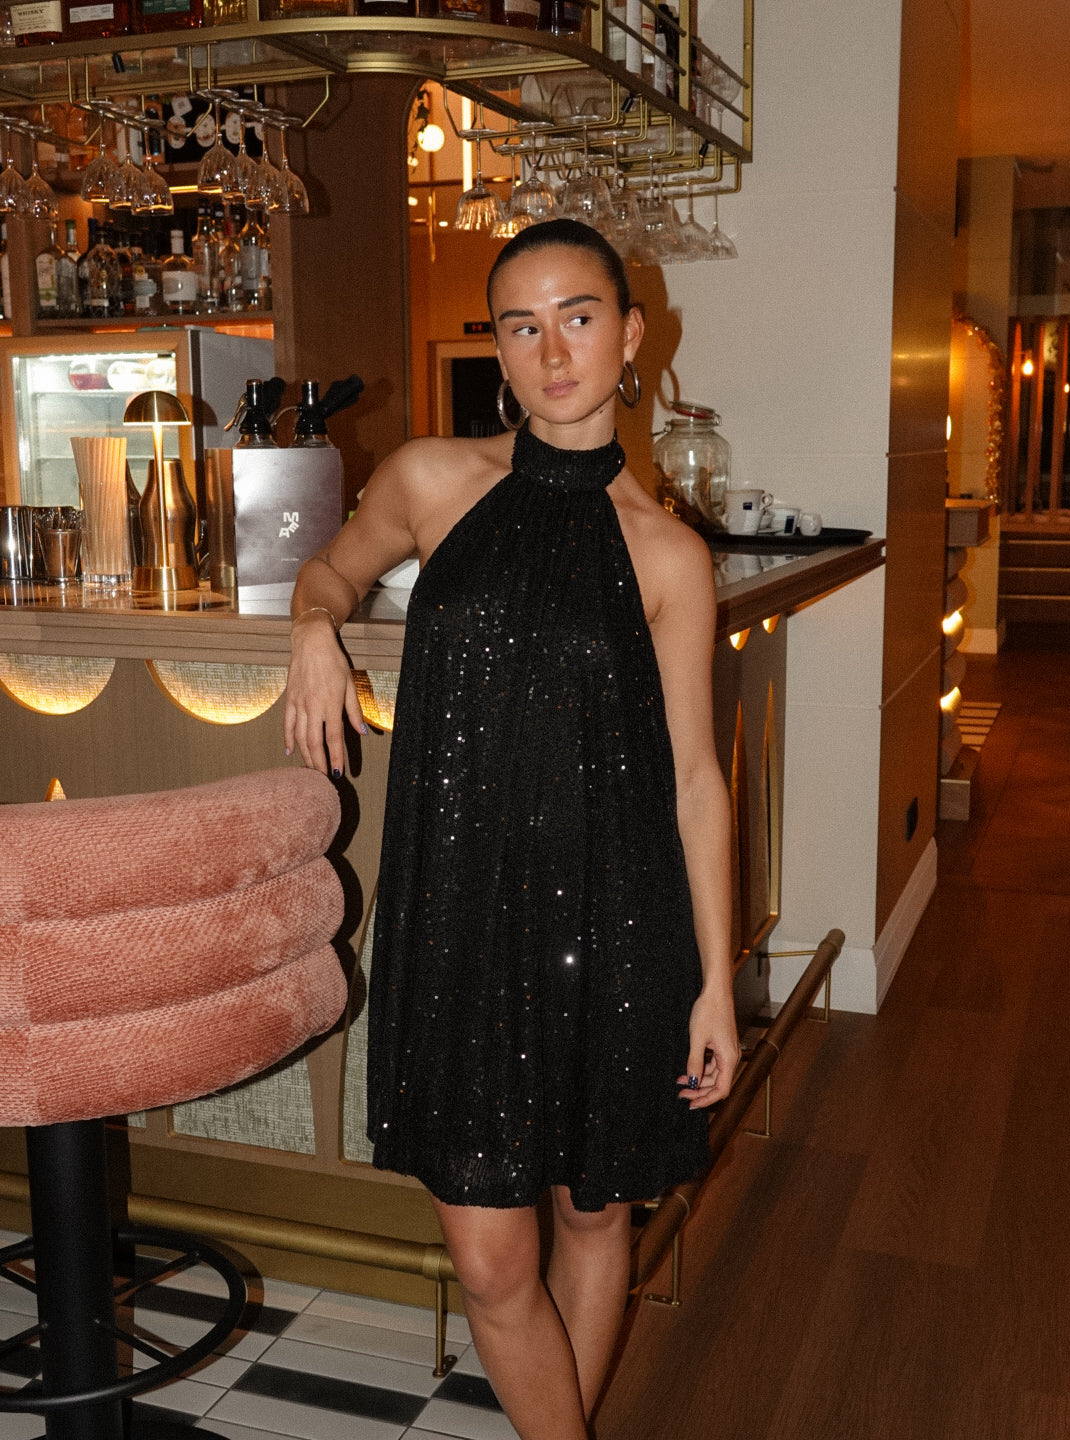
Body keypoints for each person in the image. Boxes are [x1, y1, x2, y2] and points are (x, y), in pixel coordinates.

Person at [284, 218, 740, 1440]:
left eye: (578, 318)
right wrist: (313, 630)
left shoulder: (669, 554)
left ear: (632, 335)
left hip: (622, 923)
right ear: (498, 346)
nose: (552, 351)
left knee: (593, 1212)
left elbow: (696, 779)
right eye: (521, 326)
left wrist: (714, 985)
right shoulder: (432, 480)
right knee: (490, 1263)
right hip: (460, 927)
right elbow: (329, 573)